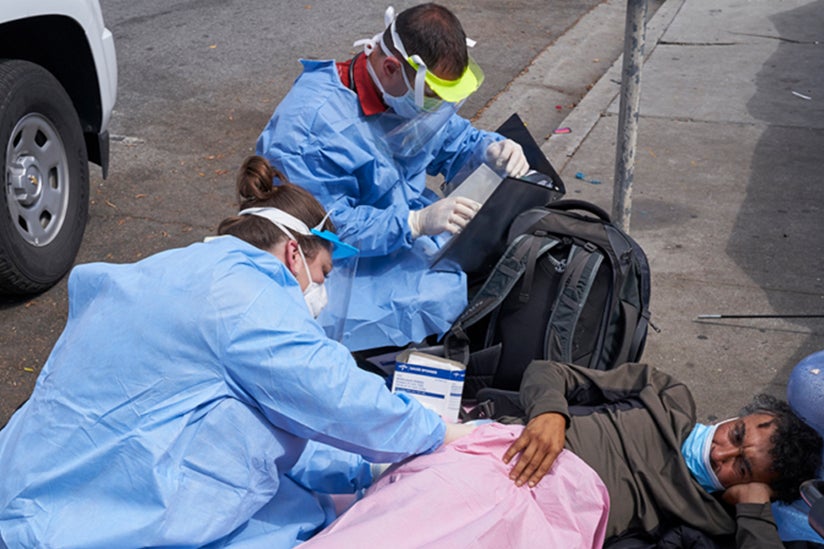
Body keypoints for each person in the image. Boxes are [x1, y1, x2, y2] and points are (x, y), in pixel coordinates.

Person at [0, 155, 473, 548]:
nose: (322, 296)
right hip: (71, 524)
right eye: (324, 274)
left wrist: (358, 467)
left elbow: (253, 432)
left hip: (23, 478)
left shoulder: (179, 266)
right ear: (293, 254)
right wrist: (435, 431)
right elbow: (334, 392)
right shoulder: (248, 298)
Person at [256, 3, 530, 352]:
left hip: (400, 238)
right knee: (433, 298)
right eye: (432, 96)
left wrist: (490, 150)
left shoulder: (402, 97)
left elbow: (450, 139)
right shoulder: (311, 127)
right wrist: (413, 222)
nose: (435, 108)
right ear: (391, 67)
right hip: (338, 260)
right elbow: (321, 229)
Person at [501, 360, 824, 548]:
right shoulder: (667, 395)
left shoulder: (708, 517)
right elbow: (548, 371)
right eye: (736, 434)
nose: (720, 452)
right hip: (501, 458)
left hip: (524, 529)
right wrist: (549, 412)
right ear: (736, 418)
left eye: (740, 467)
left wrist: (754, 510)